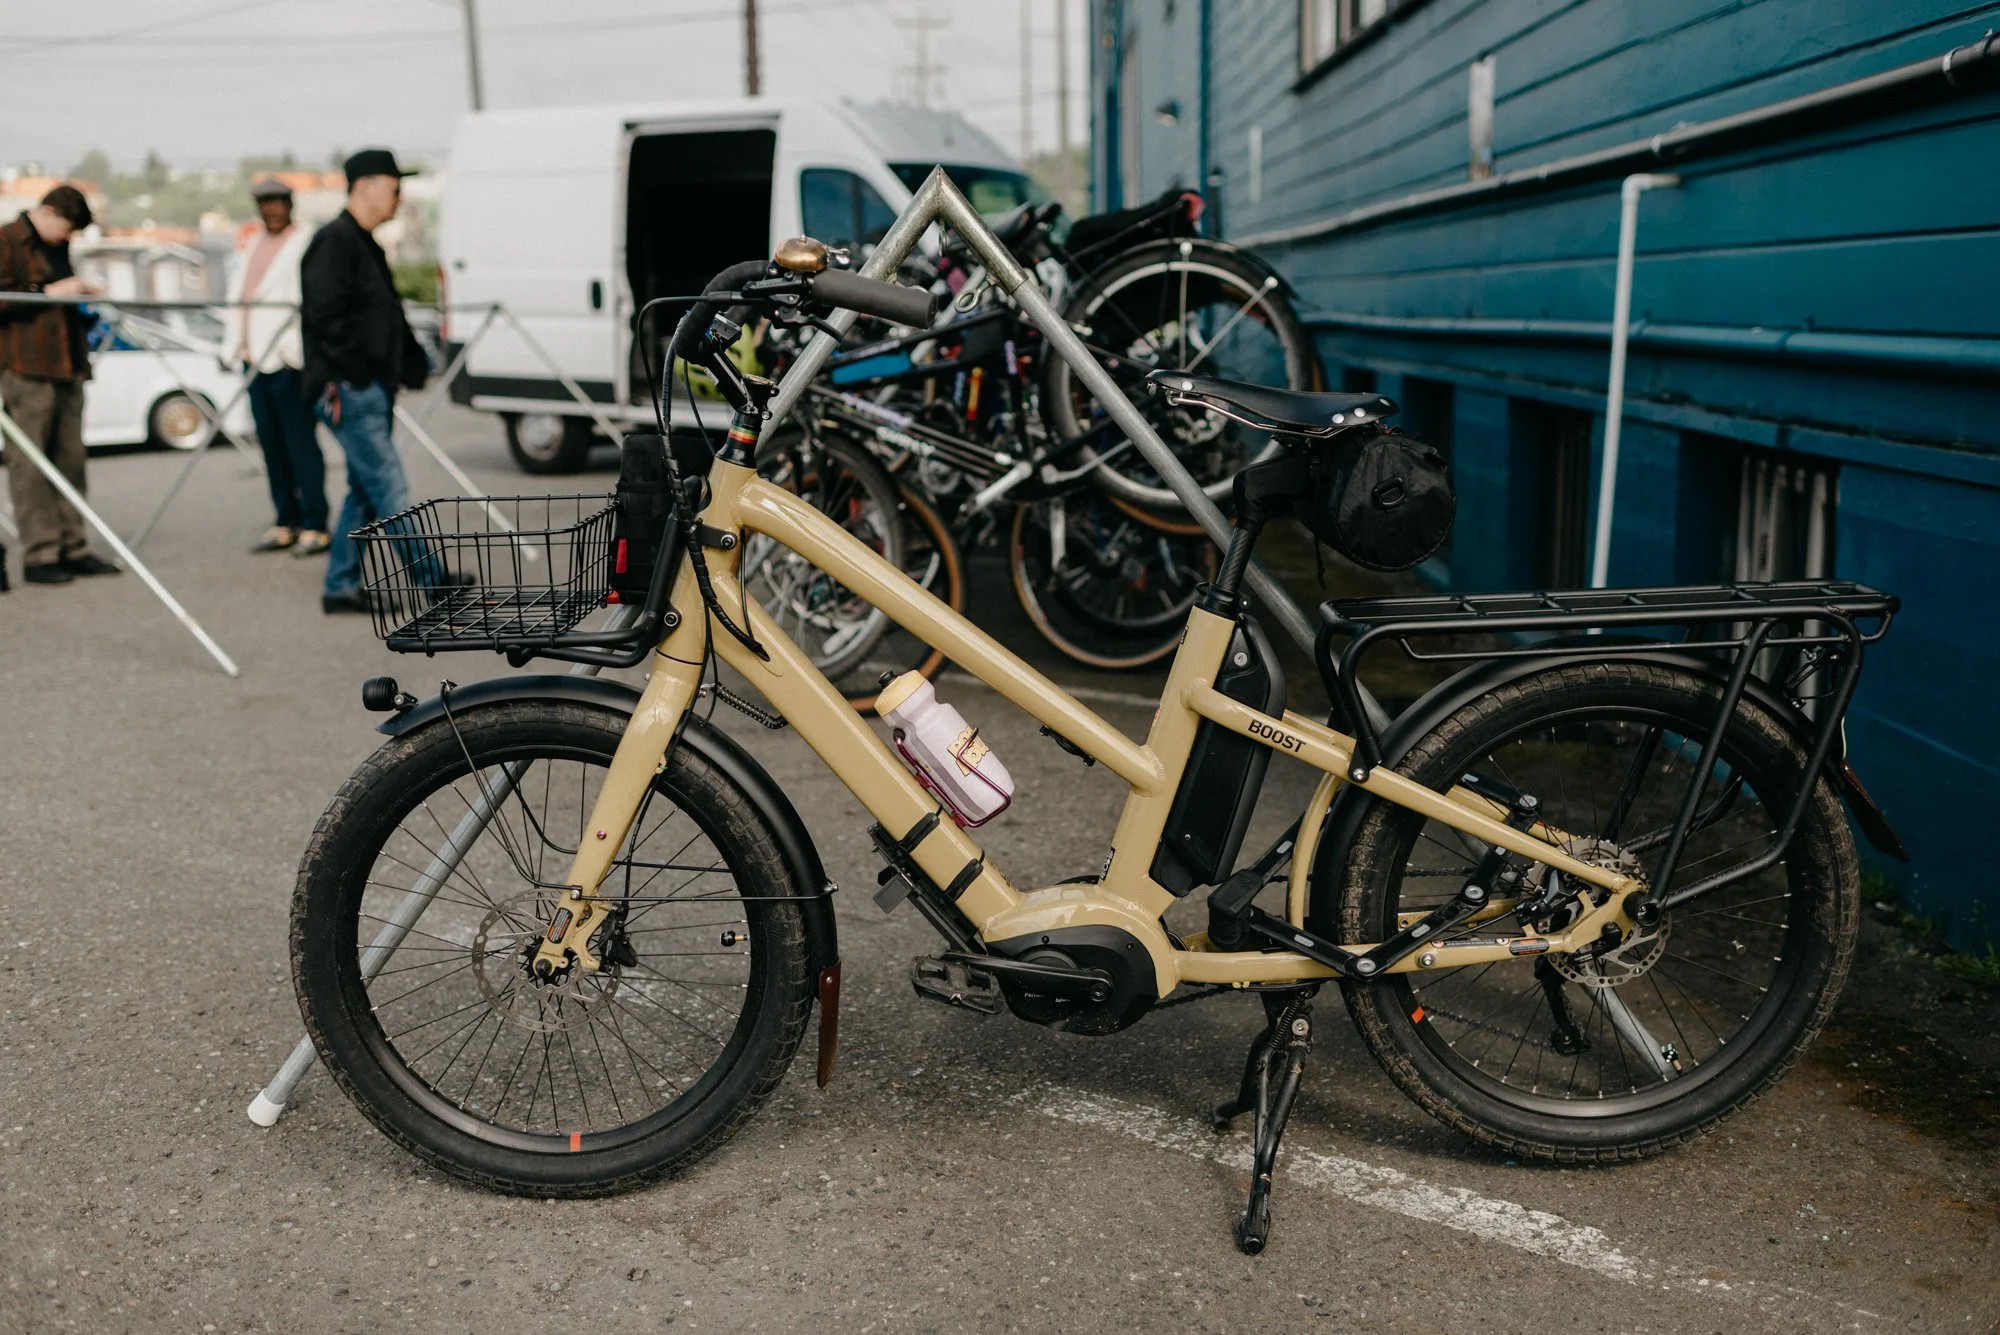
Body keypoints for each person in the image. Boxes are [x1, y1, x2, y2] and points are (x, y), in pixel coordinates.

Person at [301, 148, 454, 614]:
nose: (399, 197)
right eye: (394, 187)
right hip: (349, 389)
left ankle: (340, 585)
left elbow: (382, 317)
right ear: (366, 185)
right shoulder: (334, 242)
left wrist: (406, 366)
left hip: (367, 387)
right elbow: (325, 319)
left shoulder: (363, 242)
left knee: (365, 490)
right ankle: (435, 585)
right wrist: (361, 374)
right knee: (388, 487)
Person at [0, 183, 120, 586]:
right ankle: (41, 553)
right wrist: (49, 291)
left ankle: (75, 546)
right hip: (25, 368)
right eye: (67, 228)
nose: (68, 237)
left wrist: (82, 300)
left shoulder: (57, 248)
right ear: (48, 213)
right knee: (30, 463)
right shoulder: (6, 240)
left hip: (67, 365)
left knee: (71, 458)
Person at [223, 176, 326, 555]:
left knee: (301, 444)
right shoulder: (253, 243)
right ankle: (286, 519)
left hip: (286, 361)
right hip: (253, 360)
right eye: (264, 203)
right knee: (271, 445)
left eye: (277, 202)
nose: (271, 210)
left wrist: (291, 350)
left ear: (290, 205)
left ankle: (315, 522)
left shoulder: (304, 242)